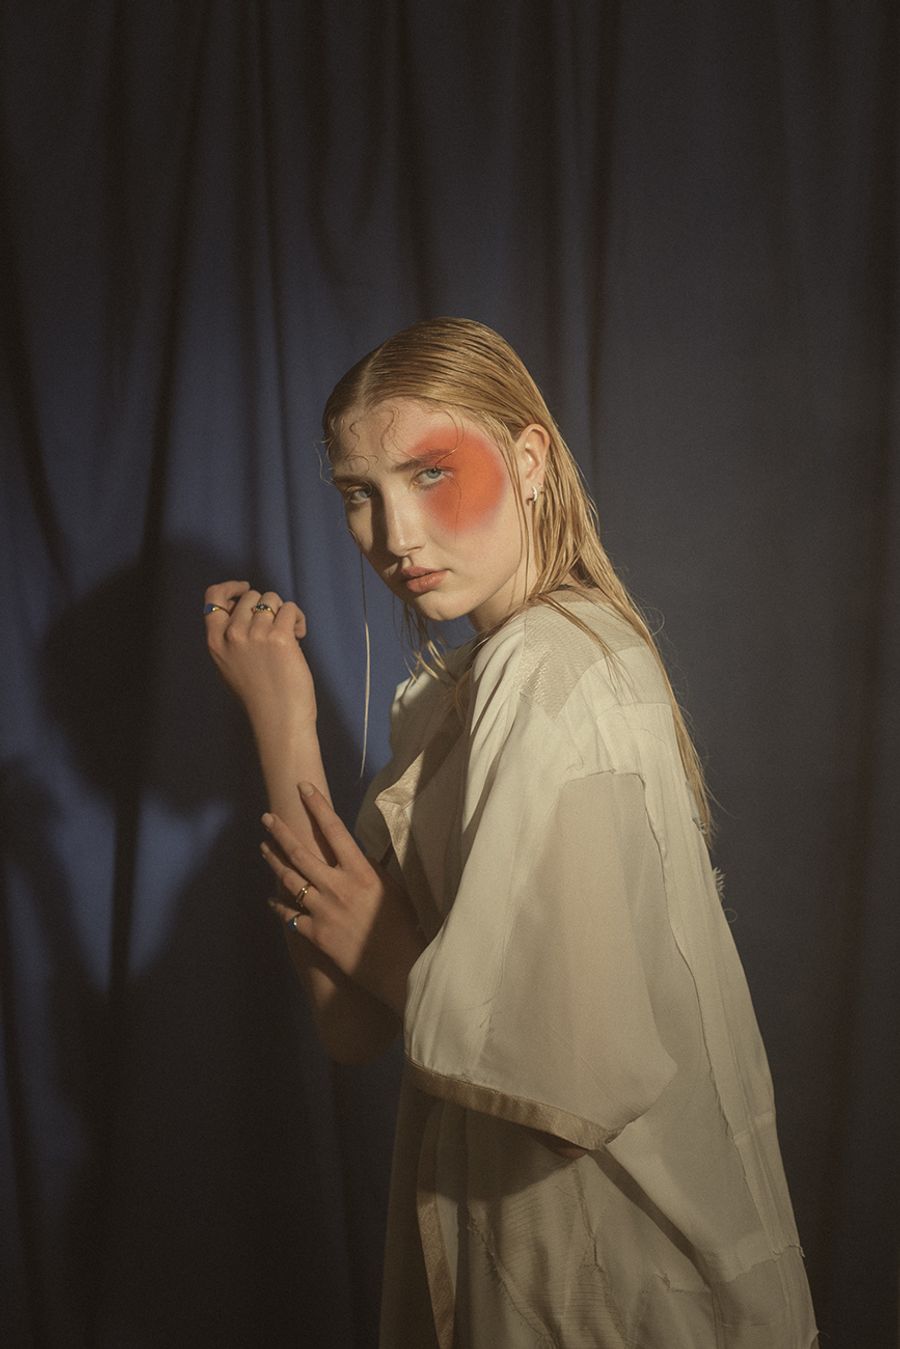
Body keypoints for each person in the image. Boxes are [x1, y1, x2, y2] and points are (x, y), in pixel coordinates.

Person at [204, 317, 818, 1348]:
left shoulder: (552, 668)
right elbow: (349, 1023)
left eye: (430, 472)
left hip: (621, 1286)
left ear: (529, 459)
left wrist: (386, 950)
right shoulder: (460, 693)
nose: (395, 534)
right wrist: (284, 720)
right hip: (530, 1271)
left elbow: (567, 1077)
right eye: (360, 493)